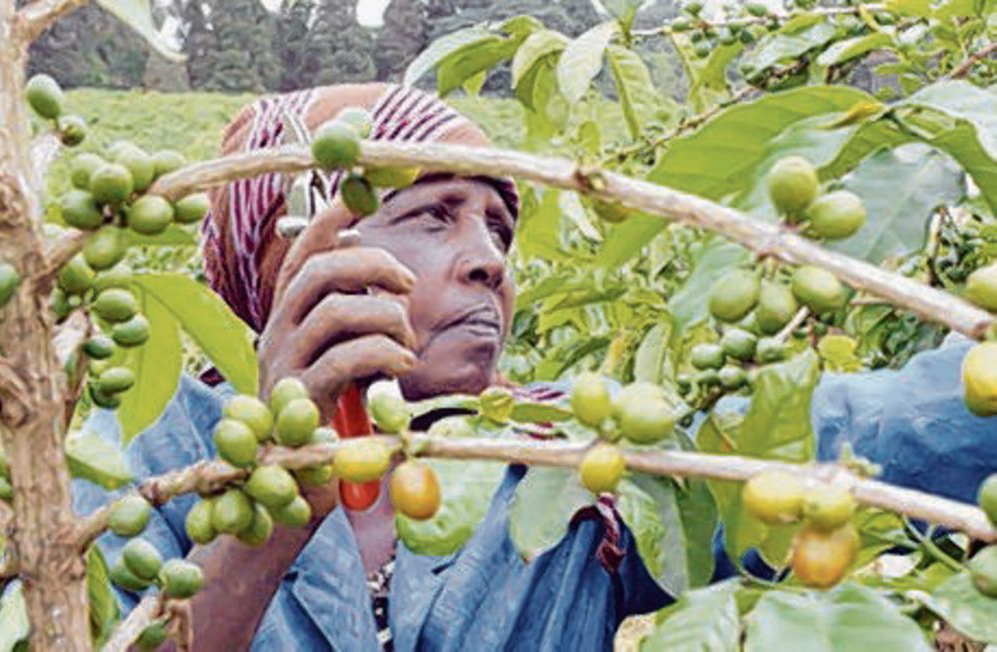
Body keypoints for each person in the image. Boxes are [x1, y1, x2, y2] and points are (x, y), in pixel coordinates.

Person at [72, 83, 996, 650]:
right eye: (434, 216)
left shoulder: (558, 457)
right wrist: (275, 498)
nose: (489, 261)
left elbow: (837, 440)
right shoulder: (137, 465)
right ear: (298, 255)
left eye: (499, 227)